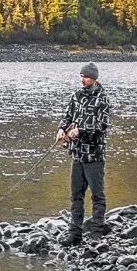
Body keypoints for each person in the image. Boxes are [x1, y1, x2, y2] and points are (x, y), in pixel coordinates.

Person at [55, 62, 111, 246]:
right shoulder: (76, 96)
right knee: (76, 195)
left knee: (97, 195)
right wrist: (62, 129)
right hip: (77, 154)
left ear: (94, 78)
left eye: (85, 76)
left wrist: (80, 131)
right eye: (81, 76)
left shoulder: (102, 99)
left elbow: (101, 126)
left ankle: (96, 233)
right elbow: (67, 116)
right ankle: (75, 234)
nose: (82, 79)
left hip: (94, 156)